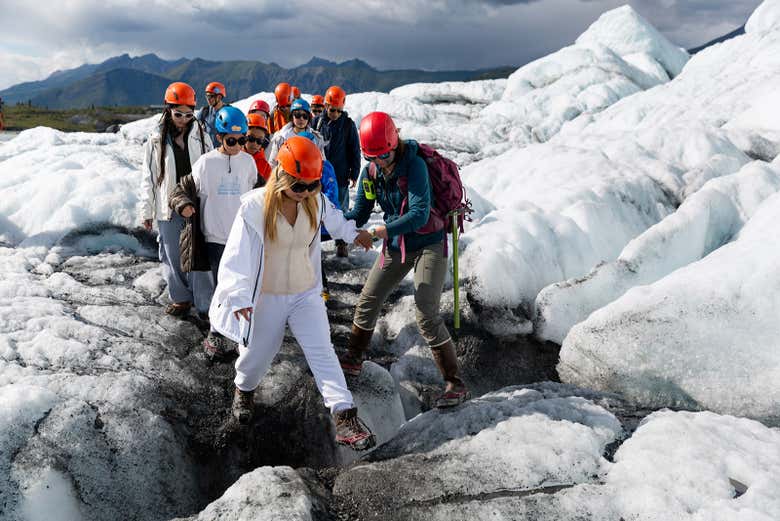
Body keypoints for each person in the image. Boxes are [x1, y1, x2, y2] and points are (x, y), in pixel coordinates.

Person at [208, 135, 376, 450]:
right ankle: (243, 390)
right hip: (266, 296)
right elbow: (235, 258)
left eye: (312, 186)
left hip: (304, 293)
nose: (304, 194)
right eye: (298, 187)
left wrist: (356, 236)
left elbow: (339, 223)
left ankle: (344, 416)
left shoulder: (317, 201)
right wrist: (240, 297)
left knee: (322, 349)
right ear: (281, 176)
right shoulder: (255, 207)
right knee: (259, 353)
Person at [340, 111, 470, 409]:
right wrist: (329, 223)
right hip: (397, 243)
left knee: (426, 312)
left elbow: (419, 214)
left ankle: (455, 383)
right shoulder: (370, 171)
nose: (380, 161)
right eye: (372, 156)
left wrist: (380, 231)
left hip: (428, 244)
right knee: (368, 298)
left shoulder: (415, 166)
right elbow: (359, 212)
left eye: (384, 154)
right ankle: (353, 359)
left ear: (394, 143)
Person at [171, 106, 258, 360]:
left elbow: (259, 189)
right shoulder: (206, 163)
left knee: (240, 287)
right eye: (232, 140)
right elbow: (180, 189)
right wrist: (184, 205)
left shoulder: (248, 162)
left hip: (242, 237)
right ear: (219, 137)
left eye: (243, 140)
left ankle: (230, 334)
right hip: (215, 239)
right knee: (224, 289)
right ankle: (216, 336)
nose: (238, 146)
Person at [139, 82, 214, 319]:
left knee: (198, 254)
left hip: (196, 203)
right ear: (168, 109)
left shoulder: (201, 134)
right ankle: (181, 298)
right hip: (168, 206)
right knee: (171, 254)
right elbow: (148, 177)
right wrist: (147, 211)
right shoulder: (155, 139)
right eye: (178, 113)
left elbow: (212, 167)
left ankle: (205, 304)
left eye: (188, 114)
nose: (183, 118)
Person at [313, 86, 360, 258]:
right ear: (326, 106)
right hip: (319, 175)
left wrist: (354, 172)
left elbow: (355, 149)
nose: (335, 113)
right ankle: (315, 242)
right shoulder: (316, 122)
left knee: (341, 209)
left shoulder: (348, 125)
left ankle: (341, 243)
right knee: (318, 209)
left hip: (340, 175)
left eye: (339, 111)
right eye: (333, 110)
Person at [298, 131, 340, 301]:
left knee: (313, 255)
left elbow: (331, 193)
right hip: (299, 220)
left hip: (315, 219)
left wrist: (320, 212)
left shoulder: (324, 166)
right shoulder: (294, 168)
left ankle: (322, 289)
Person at [266, 98, 325, 166]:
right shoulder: (281, 137)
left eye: (305, 116)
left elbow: (322, 162)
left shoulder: (316, 139)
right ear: (292, 117)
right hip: (285, 175)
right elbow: (273, 163)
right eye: (297, 115)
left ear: (309, 118)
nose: (301, 119)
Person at [197, 82, 228, 147]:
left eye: (211, 96)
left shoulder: (229, 113)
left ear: (219, 97)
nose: (208, 99)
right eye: (207, 96)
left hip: (224, 153)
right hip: (208, 152)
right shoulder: (204, 111)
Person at [244, 114, 272, 185]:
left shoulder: (265, 166)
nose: (255, 144)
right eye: (251, 138)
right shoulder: (233, 156)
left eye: (259, 141)